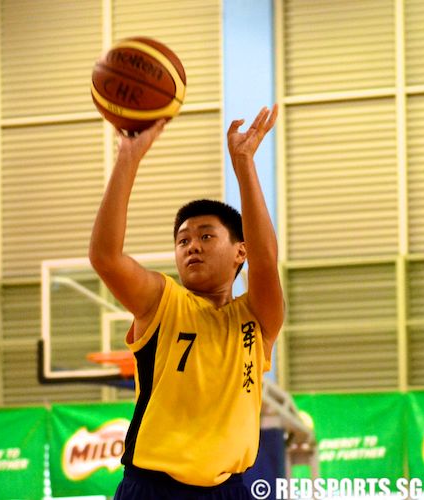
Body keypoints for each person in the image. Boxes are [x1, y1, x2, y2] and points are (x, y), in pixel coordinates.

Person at [89, 105, 283, 499]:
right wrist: (128, 156)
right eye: (183, 240)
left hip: (231, 489)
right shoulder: (162, 301)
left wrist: (244, 163)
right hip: (154, 488)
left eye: (206, 236)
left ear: (239, 251)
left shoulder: (257, 315)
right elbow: (106, 257)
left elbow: (267, 258)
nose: (192, 245)